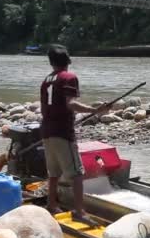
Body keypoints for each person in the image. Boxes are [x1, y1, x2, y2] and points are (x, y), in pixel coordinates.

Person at [40, 44, 108, 223]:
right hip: (63, 133)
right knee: (77, 174)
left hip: (46, 131)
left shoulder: (47, 79)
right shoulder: (69, 77)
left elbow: (48, 106)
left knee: (53, 172)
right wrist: (93, 110)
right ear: (68, 60)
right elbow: (70, 103)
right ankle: (79, 212)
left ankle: (51, 204)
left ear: (51, 62)